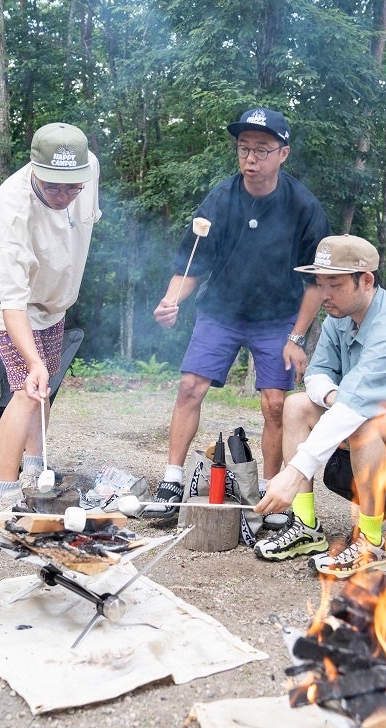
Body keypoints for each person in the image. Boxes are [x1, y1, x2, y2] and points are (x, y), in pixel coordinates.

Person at [145, 107, 330, 523]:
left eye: (261, 150)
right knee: (190, 386)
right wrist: (170, 300)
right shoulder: (221, 198)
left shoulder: (303, 206)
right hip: (222, 311)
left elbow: (316, 283)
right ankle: (172, 478)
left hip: (277, 318)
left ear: (283, 154)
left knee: (276, 405)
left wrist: (296, 337)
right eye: (243, 149)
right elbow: (192, 263)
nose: (250, 159)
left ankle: (269, 491)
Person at [254, 235, 386, 575]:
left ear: (366, 280)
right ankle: (306, 527)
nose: (323, 294)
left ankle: (370, 543)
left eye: (335, 284)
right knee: (297, 405)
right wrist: (334, 398)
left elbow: (359, 407)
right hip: (368, 420)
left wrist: (293, 473)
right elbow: (316, 375)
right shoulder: (339, 317)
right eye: (319, 283)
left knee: (365, 424)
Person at [0, 123, 101, 509]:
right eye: (52, 187)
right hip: (13, 299)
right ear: (34, 171)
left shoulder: (88, 168)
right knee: (27, 389)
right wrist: (32, 361)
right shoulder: (11, 211)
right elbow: (12, 302)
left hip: (55, 294)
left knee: (47, 386)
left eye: (71, 187)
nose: (63, 195)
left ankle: (34, 466)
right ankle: (6, 491)